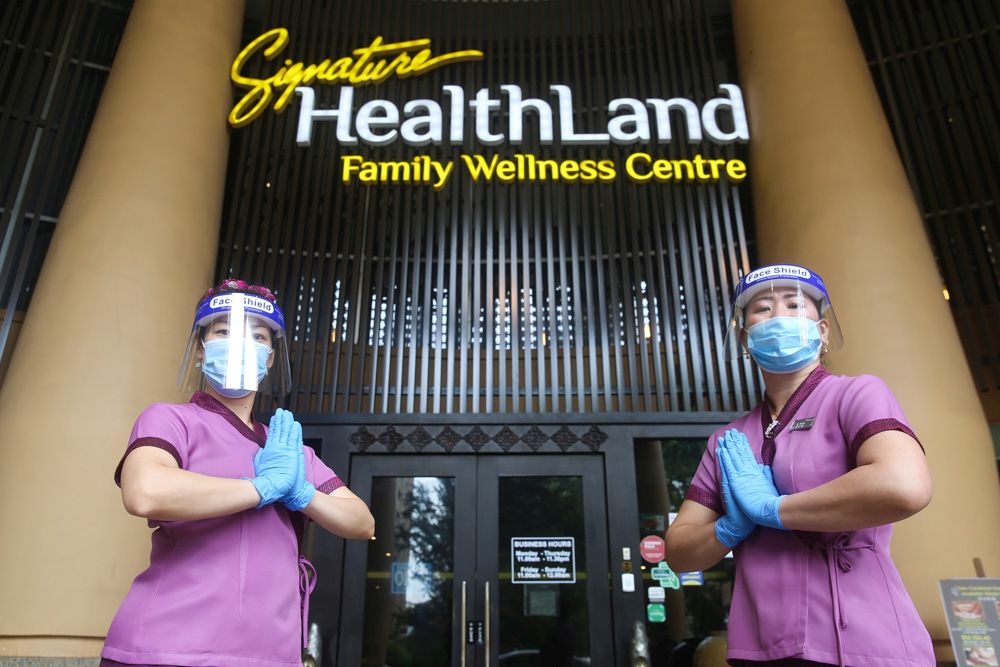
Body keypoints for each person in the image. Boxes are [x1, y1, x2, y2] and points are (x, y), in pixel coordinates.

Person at [664, 264, 934, 667]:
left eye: (794, 305)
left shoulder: (856, 394)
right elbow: (679, 553)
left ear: (822, 332)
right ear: (745, 337)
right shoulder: (729, 441)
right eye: (762, 309)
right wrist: (729, 528)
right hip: (760, 647)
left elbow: (904, 484)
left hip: (861, 640)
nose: (779, 317)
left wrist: (773, 511)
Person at [101, 279, 375, 667]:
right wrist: (262, 488)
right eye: (225, 332)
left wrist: (302, 493)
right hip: (167, 647)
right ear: (199, 349)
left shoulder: (289, 450)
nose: (241, 344)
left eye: (258, 336)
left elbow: (361, 522)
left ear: (270, 358)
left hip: (270, 653)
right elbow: (145, 491)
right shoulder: (170, 419)